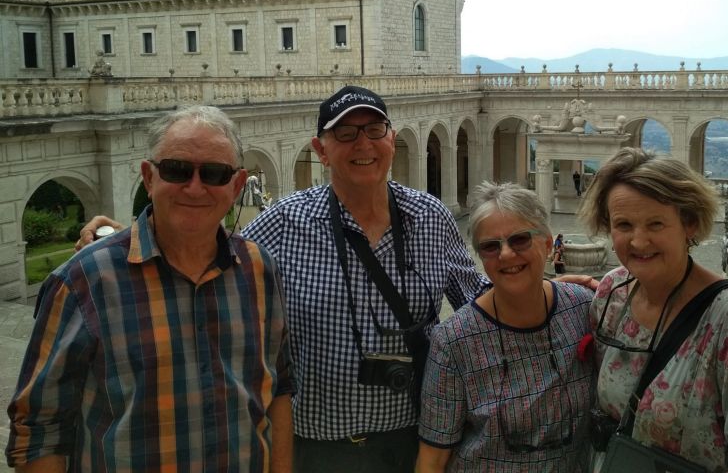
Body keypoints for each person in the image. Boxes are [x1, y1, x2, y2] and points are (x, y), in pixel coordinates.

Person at [76, 86, 489, 473]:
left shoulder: (430, 216)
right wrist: (122, 237)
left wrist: (542, 287)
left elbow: (478, 303)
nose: (362, 143)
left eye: (374, 129)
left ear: (391, 139)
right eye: (344, 133)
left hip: (414, 440)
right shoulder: (285, 221)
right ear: (320, 151)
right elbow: (208, 255)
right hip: (313, 447)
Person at [7, 105, 294, 472]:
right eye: (176, 170)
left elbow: (278, 388)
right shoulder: (83, 280)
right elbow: (39, 427)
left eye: (214, 173)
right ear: (149, 177)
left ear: (236, 185)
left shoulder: (259, 268)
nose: (195, 186)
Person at [578, 148, 728, 473]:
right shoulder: (611, 295)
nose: (639, 241)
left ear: (689, 224)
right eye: (624, 224)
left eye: (655, 224)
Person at [417, 182, 595, 472]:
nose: (507, 254)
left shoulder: (582, 308)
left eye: (520, 239)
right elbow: (434, 453)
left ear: (548, 243)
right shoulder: (453, 340)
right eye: (490, 246)